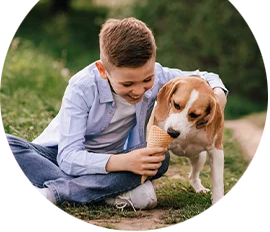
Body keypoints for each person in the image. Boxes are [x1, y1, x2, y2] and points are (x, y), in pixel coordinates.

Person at [5, 17, 227, 211]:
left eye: (147, 80)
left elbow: (206, 76)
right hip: (56, 157)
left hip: (119, 162)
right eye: (128, 83)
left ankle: (59, 191)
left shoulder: (158, 75)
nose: (140, 90)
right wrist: (121, 162)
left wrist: (218, 95)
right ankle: (97, 192)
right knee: (9, 145)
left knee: (158, 160)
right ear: (103, 70)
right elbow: (68, 158)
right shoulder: (81, 87)